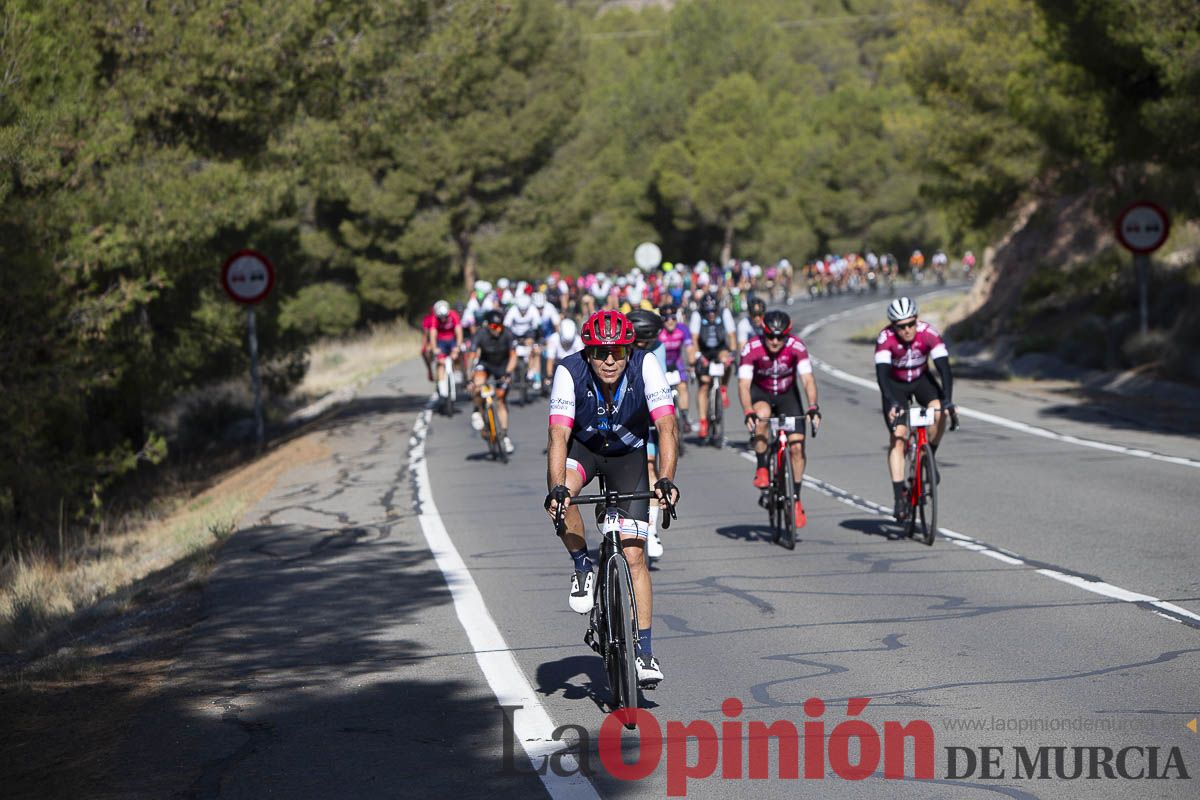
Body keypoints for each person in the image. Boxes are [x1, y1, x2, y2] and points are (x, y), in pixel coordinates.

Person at [544, 310, 680, 686]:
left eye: (617, 352)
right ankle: (582, 565)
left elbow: (666, 426)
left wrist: (666, 479)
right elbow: (557, 436)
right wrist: (558, 488)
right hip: (584, 450)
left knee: (635, 555)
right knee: (561, 496)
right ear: (587, 352)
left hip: (628, 455)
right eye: (600, 352)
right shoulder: (568, 372)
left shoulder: (646, 365)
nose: (609, 360)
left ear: (628, 349)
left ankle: (645, 652)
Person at [874, 297, 955, 520]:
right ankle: (899, 496)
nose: (907, 330)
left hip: (921, 380)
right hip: (895, 385)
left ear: (916, 321)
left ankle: (929, 458)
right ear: (893, 326)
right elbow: (881, 374)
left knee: (939, 411)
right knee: (898, 437)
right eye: (901, 326)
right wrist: (890, 400)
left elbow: (944, 369)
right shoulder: (885, 338)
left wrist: (947, 400)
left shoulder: (929, 333)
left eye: (911, 324)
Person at [738, 310, 820, 528]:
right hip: (761, 394)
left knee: (796, 447)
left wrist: (812, 406)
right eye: (770, 336)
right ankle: (763, 467)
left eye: (780, 336)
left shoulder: (796, 346)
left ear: (787, 335)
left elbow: (808, 380)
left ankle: (796, 498)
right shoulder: (752, 348)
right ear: (763, 333)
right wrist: (748, 411)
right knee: (762, 416)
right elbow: (744, 385)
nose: (775, 341)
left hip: (787, 396)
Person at [627, 309, 669, 560]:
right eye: (640, 343)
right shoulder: (618, 348)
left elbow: (659, 376)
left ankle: (650, 530)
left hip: (644, 414)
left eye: (649, 343)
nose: (644, 347)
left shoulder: (658, 347)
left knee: (650, 467)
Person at [468, 309, 517, 454]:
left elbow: (513, 356)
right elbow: (471, 356)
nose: (498, 330)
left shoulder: (507, 334)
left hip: (502, 366)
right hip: (486, 364)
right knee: (477, 384)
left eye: (500, 326)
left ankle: (504, 435)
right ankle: (477, 410)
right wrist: (468, 376)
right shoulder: (481, 334)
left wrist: (508, 373)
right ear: (488, 326)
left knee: (500, 399)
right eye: (495, 327)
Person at [690, 294, 736, 440]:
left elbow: (732, 335)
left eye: (713, 311)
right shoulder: (697, 315)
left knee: (726, 359)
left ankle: (723, 387)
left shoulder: (725, 313)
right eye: (707, 311)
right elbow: (694, 338)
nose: (711, 314)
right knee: (704, 385)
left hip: (720, 347)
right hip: (704, 350)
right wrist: (698, 356)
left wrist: (733, 353)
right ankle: (703, 421)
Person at [504, 292, 544, 391]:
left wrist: (538, 340)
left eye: (525, 310)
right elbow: (506, 325)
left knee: (532, 347)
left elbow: (537, 327)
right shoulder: (513, 310)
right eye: (521, 310)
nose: (523, 312)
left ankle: (531, 370)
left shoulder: (533, 310)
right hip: (514, 333)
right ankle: (508, 375)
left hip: (528, 333)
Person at [424, 300, 463, 397]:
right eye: (441, 317)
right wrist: (434, 348)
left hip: (452, 340)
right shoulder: (434, 319)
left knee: (457, 355)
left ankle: (458, 373)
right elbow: (433, 334)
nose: (443, 319)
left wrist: (458, 346)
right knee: (440, 362)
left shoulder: (453, 315)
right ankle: (442, 387)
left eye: (445, 317)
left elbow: (459, 331)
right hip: (440, 341)